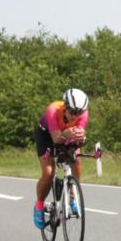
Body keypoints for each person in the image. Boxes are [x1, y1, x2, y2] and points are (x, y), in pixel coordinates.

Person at [33, 89, 89, 228]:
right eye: (72, 112)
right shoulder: (52, 110)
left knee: (76, 161)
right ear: (65, 106)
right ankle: (39, 206)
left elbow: (80, 133)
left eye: (79, 113)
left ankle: (72, 197)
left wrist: (81, 134)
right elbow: (56, 138)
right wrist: (65, 134)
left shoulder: (83, 113)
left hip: (66, 135)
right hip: (47, 136)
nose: (75, 116)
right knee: (48, 173)